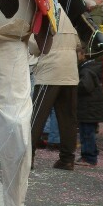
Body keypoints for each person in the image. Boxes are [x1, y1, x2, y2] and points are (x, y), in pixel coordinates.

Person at [30, 9, 79, 171]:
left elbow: (35, 44)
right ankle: (67, 158)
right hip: (70, 68)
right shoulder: (73, 12)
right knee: (68, 118)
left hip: (49, 69)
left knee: (38, 116)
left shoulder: (44, 10)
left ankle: (28, 157)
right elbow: (80, 41)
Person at [76, 45, 103, 166]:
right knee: (87, 132)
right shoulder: (91, 67)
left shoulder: (86, 70)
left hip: (89, 107)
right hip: (90, 107)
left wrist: (74, 85)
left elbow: (85, 86)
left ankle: (89, 157)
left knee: (87, 133)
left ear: (83, 55)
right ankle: (88, 154)